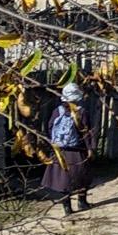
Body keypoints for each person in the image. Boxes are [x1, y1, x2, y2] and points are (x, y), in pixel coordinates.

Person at [41, 83, 95, 213]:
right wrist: (90, 148)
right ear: (77, 97)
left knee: (63, 180)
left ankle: (67, 208)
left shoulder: (57, 111)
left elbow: (49, 127)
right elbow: (86, 132)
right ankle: (82, 203)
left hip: (60, 151)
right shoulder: (81, 112)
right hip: (77, 151)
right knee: (82, 176)